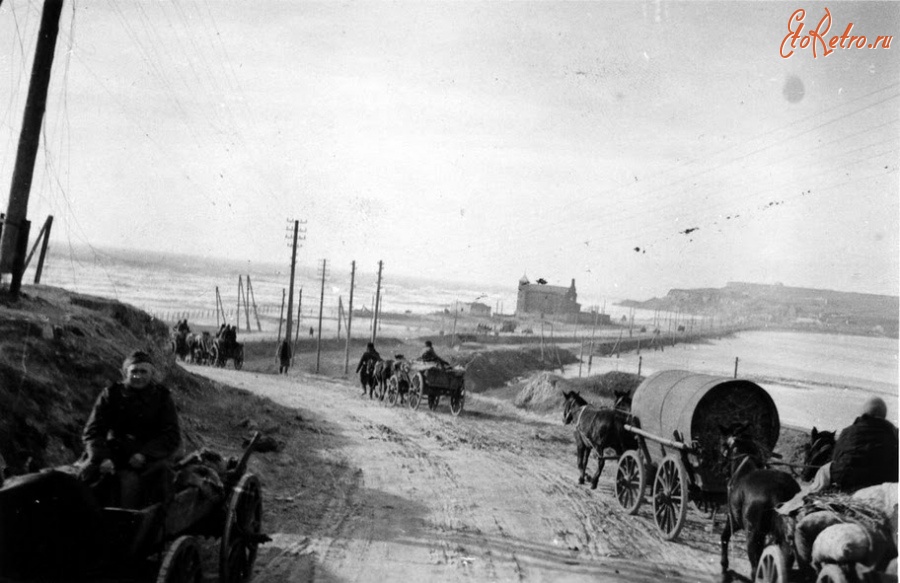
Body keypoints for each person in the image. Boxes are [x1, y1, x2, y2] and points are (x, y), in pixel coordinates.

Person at [78, 350, 181, 508]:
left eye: (143, 372)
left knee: (159, 485)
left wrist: (144, 454)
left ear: (152, 373)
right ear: (126, 373)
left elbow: (171, 435)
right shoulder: (111, 394)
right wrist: (102, 457)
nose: (138, 376)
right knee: (83, 478)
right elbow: (93, 431)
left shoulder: (162, 398)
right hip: (114, 452)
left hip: (148, 457)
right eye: (134, 371)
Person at [830, 396, 899, 493]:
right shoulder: (894, 434)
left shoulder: (848, 431)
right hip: (883, 485)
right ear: (884, 415)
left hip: (848, 481)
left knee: (826, 470)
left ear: (864, 413)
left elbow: (835, 458)